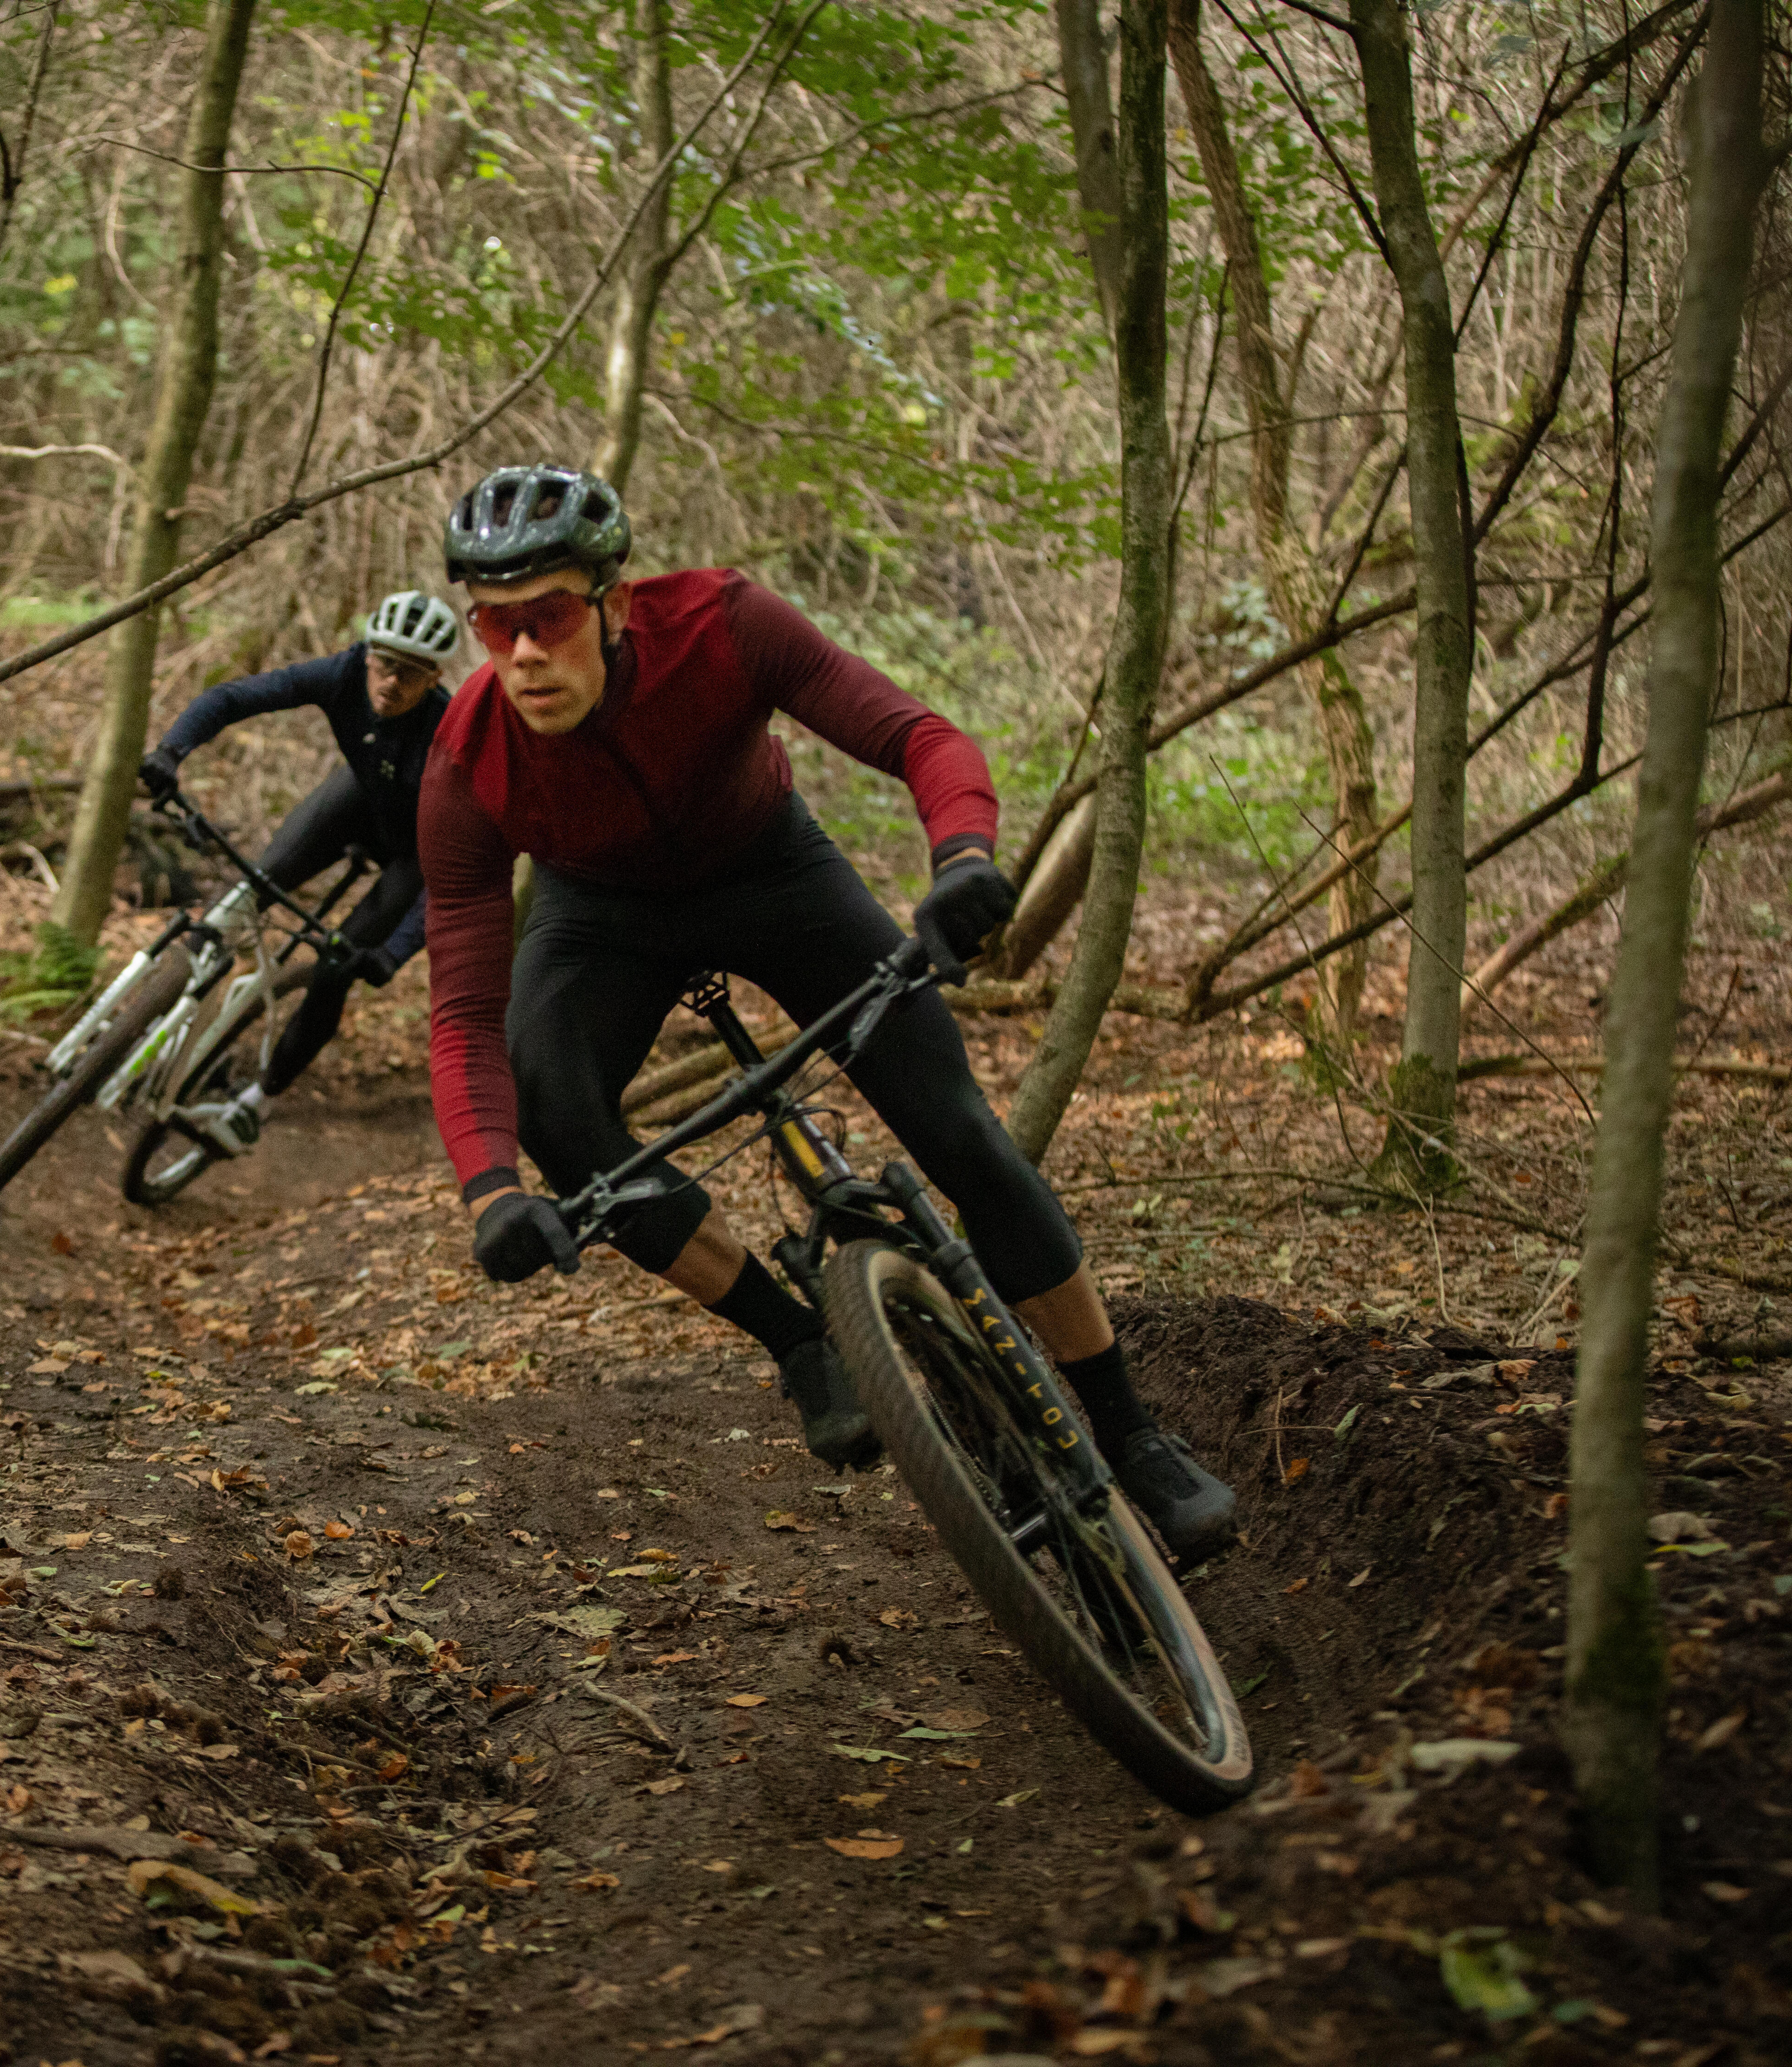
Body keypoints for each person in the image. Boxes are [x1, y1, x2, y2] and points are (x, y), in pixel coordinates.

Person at [413, 464, 1235, 1554]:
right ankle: (799, 1341)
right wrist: (489, 1190)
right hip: (601, 917)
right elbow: (465, 1013)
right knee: (556, 1114)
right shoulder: (466, 763)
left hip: (771, 873)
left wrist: (963, 859)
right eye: (494, 625)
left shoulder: (722, 625)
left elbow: (920, 737)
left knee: (960, 1133)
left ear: (614, 603)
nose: (522, 653)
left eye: (550, 617)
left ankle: (1130, 1431)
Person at [133, 590, 461, 1152]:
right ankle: (148, 1026)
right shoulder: (343, 673)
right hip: (357, 801)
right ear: (367, 654)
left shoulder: (450, 740)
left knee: (337, 964)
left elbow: (457, 869)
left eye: (410, 673)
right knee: (250, 891)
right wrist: (172, 751)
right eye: (385, 663)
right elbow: (234, 698)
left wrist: (394, 952)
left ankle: (259, 1100)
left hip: (419, 852)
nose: (390, 682)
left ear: (435, 678)